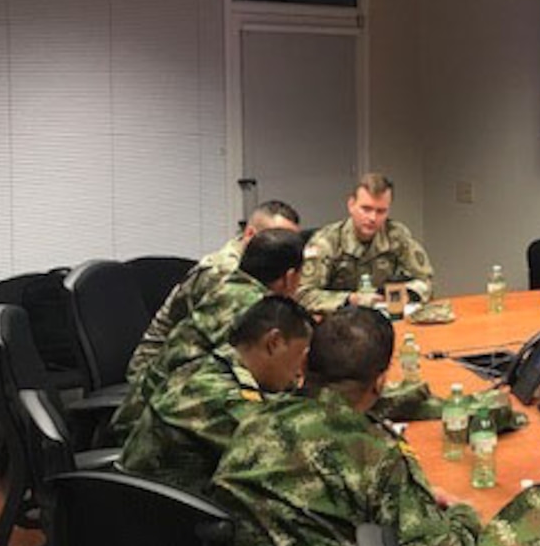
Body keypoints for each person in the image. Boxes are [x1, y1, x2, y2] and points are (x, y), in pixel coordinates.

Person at [210, 308, 482, 546]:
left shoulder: (254, 422)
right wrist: (466, 516)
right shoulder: (373, 452)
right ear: (380, 382)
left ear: (305, 362)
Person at [110, 228, 307, 440]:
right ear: (290, 277)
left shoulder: (227, 287)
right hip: (153, 429)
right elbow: (258, 385)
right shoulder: (255, 313)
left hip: (153, 410)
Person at [119, 295, 313, 495]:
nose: (300, 372)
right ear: (274, 343)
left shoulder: (215, 364)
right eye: (301, 357)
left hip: (160, 500)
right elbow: (288, 453)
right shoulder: (217, 396)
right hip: (158, 513)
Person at [126, 200, 300, 384]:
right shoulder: (223, 273)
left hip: (202, 362)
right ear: (250, 235)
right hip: (159, 371)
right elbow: (239, 346)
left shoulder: (262, 271)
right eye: (276, 236)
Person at [297, 173, 433, 315]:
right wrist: (350, 299)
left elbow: (425, 281)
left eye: (381, 211)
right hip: (340, 322)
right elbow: (303, 294)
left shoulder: (397, 236)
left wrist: (408, 294)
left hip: (387, 319)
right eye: (366, 209)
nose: (372, 218)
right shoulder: (326, 241)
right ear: (351, 205)